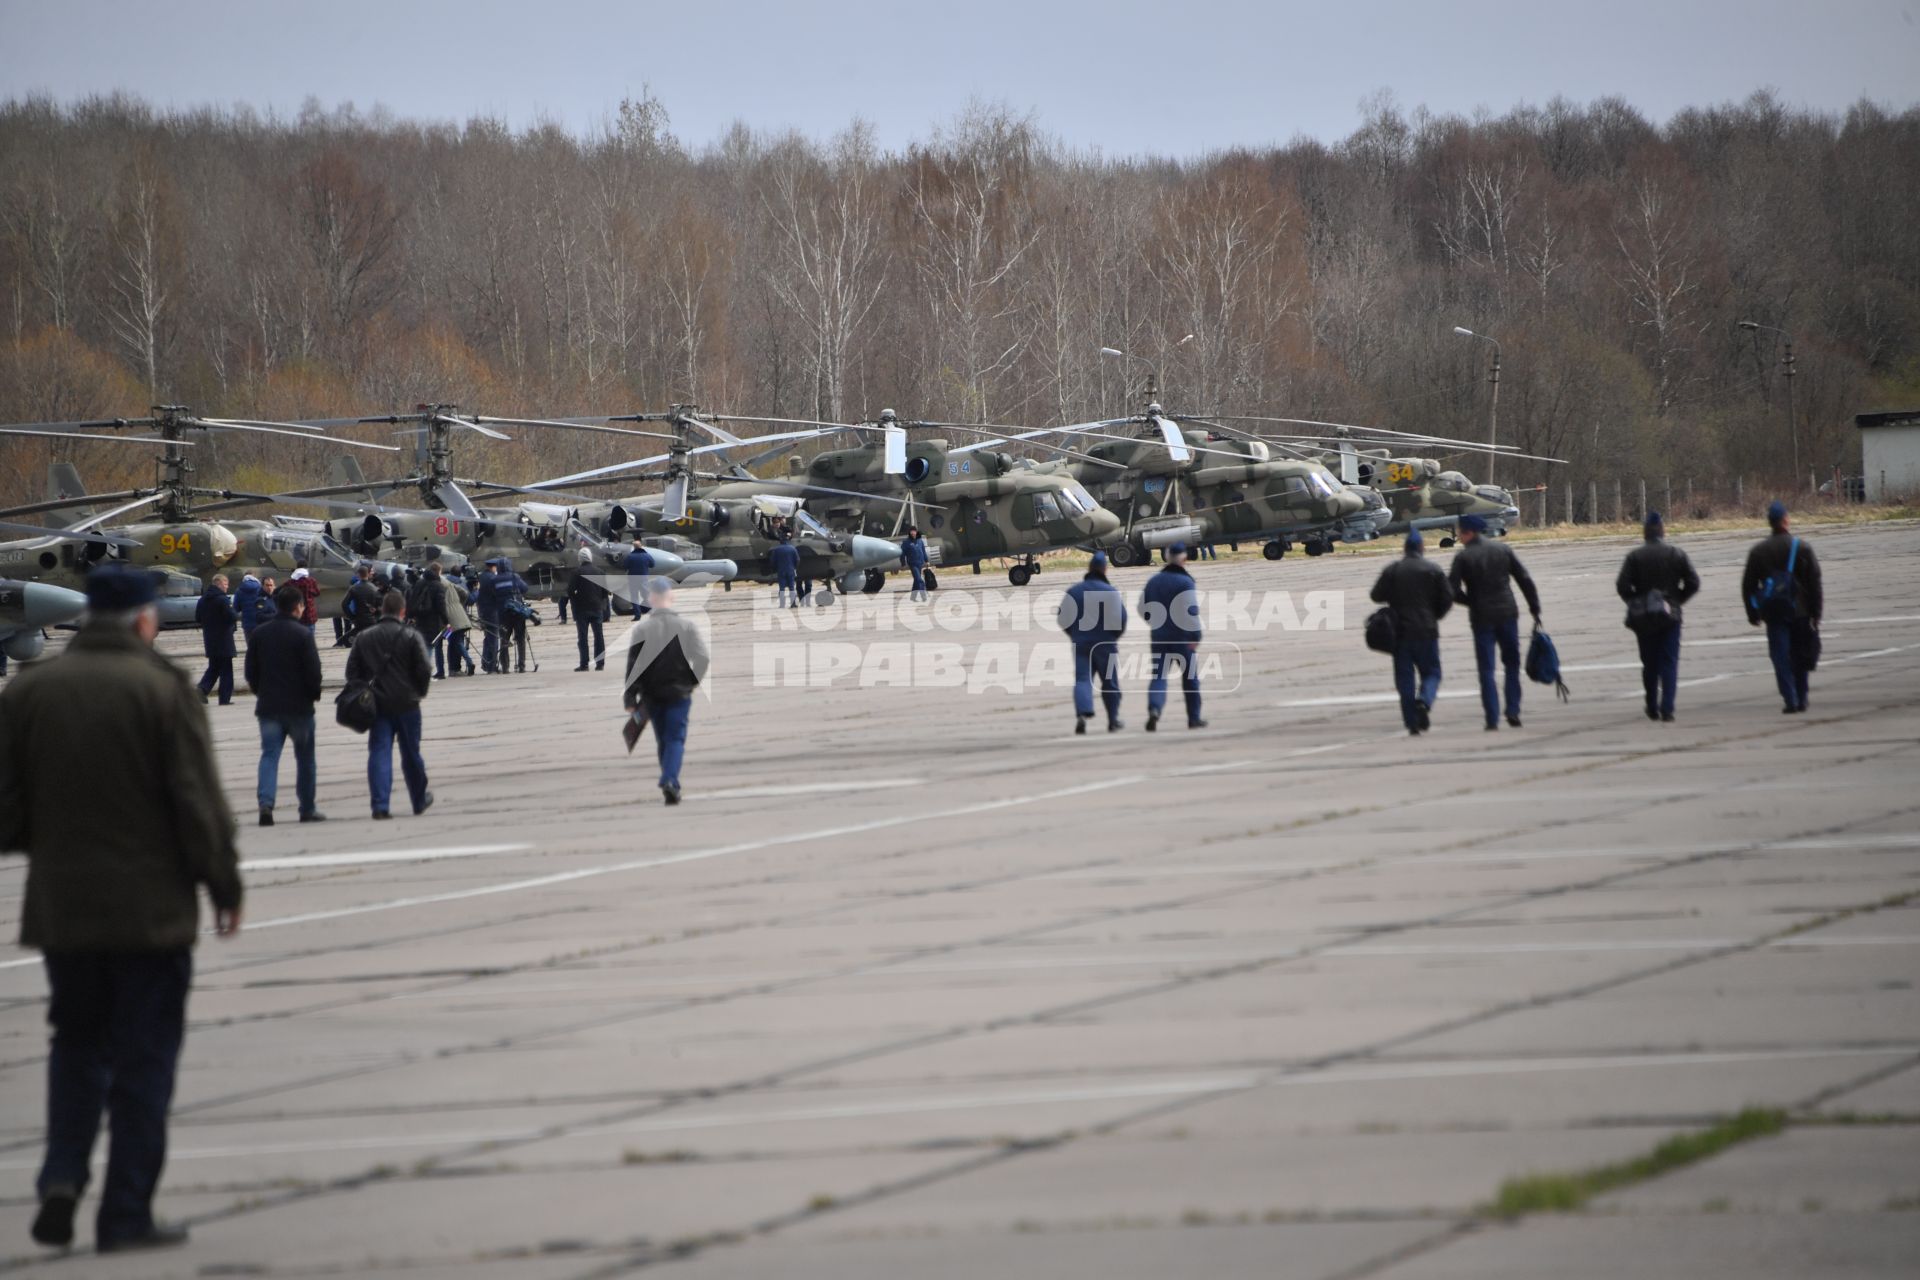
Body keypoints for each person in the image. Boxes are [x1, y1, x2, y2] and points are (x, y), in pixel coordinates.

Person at [0, 564, 242, 1255]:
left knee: (75, 1047)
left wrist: (55, 844)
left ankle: (60, 1176)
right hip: (151, 914)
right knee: (144, 1061)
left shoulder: (30, 691)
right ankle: (125, 1211)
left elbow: (6, 813)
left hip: (63, 912)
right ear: (143, 619)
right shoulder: (161, 689)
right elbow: (198, 803)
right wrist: (223, 886)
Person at [344, 591, 434, 819]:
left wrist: (364, 691)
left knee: (380, 752)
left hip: (378, 705)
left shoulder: (365, 637)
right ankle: (419, 799)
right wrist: (418, 692)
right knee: (411, 754)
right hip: (407, 704)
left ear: (382, 610)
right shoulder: (411, 636)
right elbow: (424, 669)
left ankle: (380, 804)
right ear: (402, 612)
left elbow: (351, 672)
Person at [1447, 514, 1542, 731]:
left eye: (1460, 532)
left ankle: (1491, 718)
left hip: (1481, 617)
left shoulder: (1463, 558)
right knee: (1512, 664)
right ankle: (1513, 710)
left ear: (1469, 532)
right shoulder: (1502, 550)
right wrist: (1534, 606)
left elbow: (1451, 589)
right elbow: (1524, 579)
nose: (1459, 536)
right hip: (1508, 613)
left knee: (1486, 669)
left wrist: (1470, 602)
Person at [622, 576, 710, 805]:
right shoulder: (686, 626)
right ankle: (670, 780)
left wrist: (630, 696)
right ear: (672, 596)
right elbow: (702, 657)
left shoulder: (641, 629)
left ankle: (670, 783)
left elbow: (633, 666)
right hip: (678, 694)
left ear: (651, 598)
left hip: (651, 695)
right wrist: (692, 682)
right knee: (675, 740)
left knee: (663, 740)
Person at [245, 583, 325, 825]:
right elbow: (314, 672)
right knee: (305, 759)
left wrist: (261, 692)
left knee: (269, 755)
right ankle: (307, 808)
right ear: (298, 607)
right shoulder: (303, 635)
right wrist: (313, 695)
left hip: (269, 706)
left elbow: (251, 671)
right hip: (299, 707)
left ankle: (266, 804)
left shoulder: (260, 634)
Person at [1616, 511, 1701, 722]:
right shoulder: (1676, 554)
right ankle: (1668, 708)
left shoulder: (1635, 556)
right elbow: (1693, 582)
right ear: (1663, 531)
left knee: (1650, 663)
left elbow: (1622, 585)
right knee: (1669, 662)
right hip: (1670, 615)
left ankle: (1652, 705)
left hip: (1644, 618)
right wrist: (1677, 601)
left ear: (1645, 532)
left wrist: (1635, 601)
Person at [1742, 500, 1824, 714]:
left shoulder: (1758, 551)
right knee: (1800, 654)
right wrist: (1817, 612)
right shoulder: (1802, 547)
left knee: (1780, 656)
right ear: (1786, 520)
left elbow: (1748, 585)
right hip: (1801, 611)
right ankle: (1802, 696)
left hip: (1774, 612)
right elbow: (1814, 582)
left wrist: (1753, 613)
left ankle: (1790, 698)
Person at [1371, 529, 1453, 735]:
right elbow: (1447, 598)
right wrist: (1435, 615)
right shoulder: (1433, 569)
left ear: (1405, 548)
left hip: (1401, 633)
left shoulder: (1393, 570)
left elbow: (1376, 595)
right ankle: (1424, 701)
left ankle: (1412, 723)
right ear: (1422, 548)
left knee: (1405, 679)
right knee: (1432, 672)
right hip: (1427, 631)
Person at [1058, 550, 1126, 733]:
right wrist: (1113, 637)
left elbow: (1063, 618)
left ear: (1089, 568)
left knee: (1082, 679)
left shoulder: (1074, 591)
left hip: (1081, 643)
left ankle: (1082, 714)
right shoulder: (1111, 592)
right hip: (1105, 644)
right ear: (1104, 569)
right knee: (1110, 682)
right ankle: (1113, 720)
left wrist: (1074, 634)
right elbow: (1121, 620)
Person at [1139, 542, 1206, 731]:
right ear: (1184, 559)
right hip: (1182, 638)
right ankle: (1194, 718)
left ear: (1166, 558)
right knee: (1190, 678)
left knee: (1159, 676)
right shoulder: (1185, 582)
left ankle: (1154, 709)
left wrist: (1154, 623)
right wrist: (1196, 636)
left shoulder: (1154, 581)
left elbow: (1142, 608)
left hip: (1159, 637)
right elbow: (1191, 611)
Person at [194, 574, 238, 706]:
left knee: (214, 667)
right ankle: (224, 698)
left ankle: (202, 690)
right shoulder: (223, 600)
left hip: (209, 638)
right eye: (225, 584)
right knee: (226, 670)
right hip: (224, 638)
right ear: (219, 584)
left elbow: (197, 618)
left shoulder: (202, 600)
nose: (227, 587)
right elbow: (232, 616)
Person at [568, 547, 609, 671]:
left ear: (580, 558)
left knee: (583, 637)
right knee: (599, 636)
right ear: (590, 557)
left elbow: (570, 591)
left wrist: (576, 600)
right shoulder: (600, 572)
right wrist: (600, 602)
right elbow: (605, 591)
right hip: (597, 607)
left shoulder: (576, 572)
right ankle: (600, 663)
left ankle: (584, 664)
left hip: (582, 609)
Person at [408, 563, 450, 680]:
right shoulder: (438, 585)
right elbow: (441, 605)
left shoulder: (419, 583)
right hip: (433, 619)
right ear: (438, 572)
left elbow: (412, 599)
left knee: (421, 645)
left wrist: (411, 616)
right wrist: (446, 620)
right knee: (429, 646)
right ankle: (424, 674)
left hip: (419, 619)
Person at [495, 558, 533, 673]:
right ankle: (522, 666)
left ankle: (505, 667)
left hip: (503, 614)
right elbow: (525, 588)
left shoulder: (495, 580)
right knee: (520, 639)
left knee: (504, 639)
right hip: (517, 612)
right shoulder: (514, 577)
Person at [442, 564, 476, 676]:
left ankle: (453, 668)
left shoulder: (444, 583)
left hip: (447, 621)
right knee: (458, 642)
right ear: (460, 574)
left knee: (450, 642)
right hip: (460, 619)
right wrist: (475, 590)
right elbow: (470, 599)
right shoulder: (461, 583)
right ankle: (463, 664)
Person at [474, 559, 505, 673]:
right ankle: (492, 666)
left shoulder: (481, 577)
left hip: (482, 611)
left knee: (488, 638)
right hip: (492, 611)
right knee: (493, 638)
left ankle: (485, 663)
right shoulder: (493, 578)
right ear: (494, 567)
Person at [769, 528, 801, 609]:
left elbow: (772, 561)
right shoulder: (792, 548)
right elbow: (797, 560)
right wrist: (795, 568)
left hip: (781, 571)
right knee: (791, 587)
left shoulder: (776, 550)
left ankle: (782, 604)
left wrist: (775, 569)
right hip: (791, 570)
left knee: (782, 588)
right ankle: (793, 603)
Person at [624, 537, 655, 618]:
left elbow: (625, 566)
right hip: (643, 578)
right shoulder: (647, 555)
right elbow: (652, 565)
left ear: (634, 547)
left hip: (633, 579)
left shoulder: (630, 556)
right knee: (646, 595)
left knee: (634, 597)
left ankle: (637, 615)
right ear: (641, 546)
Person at [233, 573, 266, 642]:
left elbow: (236, 608)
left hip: (247, 624)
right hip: (261, 622)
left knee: (251, 647)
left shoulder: (239, 590)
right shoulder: (261, 588)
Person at [900, 525, 929, 602]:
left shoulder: (920, 541)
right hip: (912, 564)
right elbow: (902, 554)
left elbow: (923, 551)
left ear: (916, 532)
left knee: (916, 580)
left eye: (914, 531)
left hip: (920, 563)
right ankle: (924, 596)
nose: (913, 532)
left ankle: (913, 597)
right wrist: (903, 563)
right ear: (909, 532)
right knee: (919, 580)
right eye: (911, 531)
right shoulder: (906, 542)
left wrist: (926, 561)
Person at [290, 561, 321, 629]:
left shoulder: (292, 582)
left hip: (298, 616)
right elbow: (317, 593)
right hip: (310, 615)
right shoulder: (311, 581)